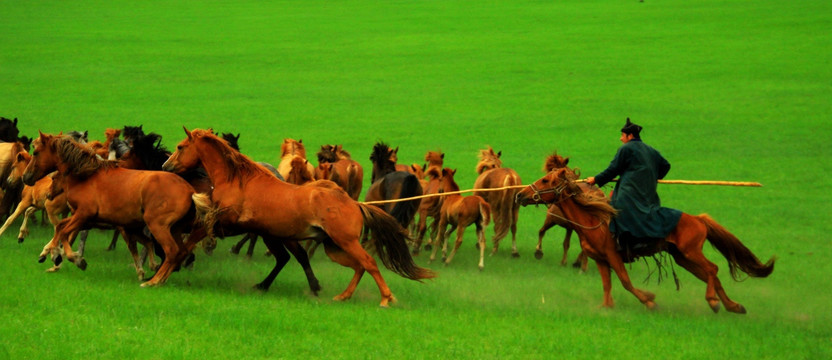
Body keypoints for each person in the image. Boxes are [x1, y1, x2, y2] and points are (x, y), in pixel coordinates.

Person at [586, 118, 681, 250]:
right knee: (647, 210)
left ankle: (625, 240)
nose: (620, 139)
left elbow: (613, 169)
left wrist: (596, 179)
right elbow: (666, 165)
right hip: (648, 189)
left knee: (617, 205)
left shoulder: (626, 148)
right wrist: (652, 176)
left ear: (630, 136)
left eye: (622, 136)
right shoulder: (651, 150)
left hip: (630, 188)